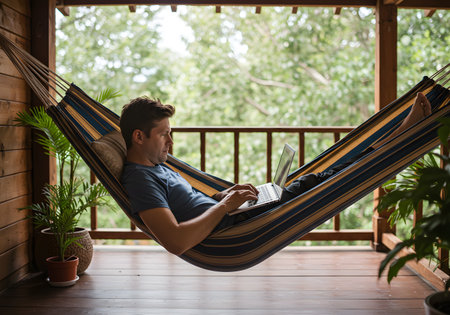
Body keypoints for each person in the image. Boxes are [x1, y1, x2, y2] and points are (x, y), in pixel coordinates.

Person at [120, 93, 431, 255]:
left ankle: (401, 134)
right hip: (236, 228)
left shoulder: (158, 166)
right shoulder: (140, 180)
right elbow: (174, 240)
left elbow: (191, 204)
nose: (171, 143)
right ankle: (404, 135)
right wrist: (226, 207)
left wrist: (223, 195)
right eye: (164, 135)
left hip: (236, 213)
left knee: (328, 174)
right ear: (138, 137)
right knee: (334, 177)